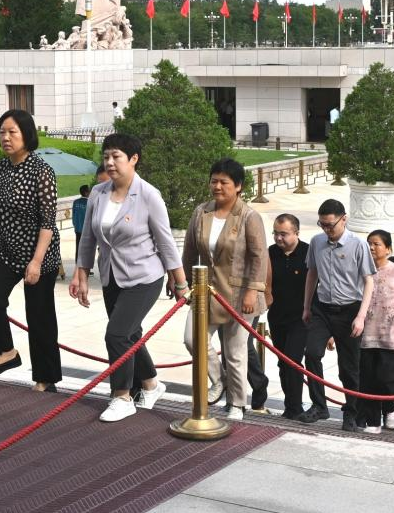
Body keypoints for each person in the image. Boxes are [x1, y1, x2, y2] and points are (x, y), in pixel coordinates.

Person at [71, 133, 187, 422]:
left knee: (117, 334)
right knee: (130, 333)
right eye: (106, 157)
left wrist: (180, 281)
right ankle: (151, 384)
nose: (110, 162)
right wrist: (81, 273)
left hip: (144, 277)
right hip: (111, 276)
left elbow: (166, 242)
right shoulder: (98, 193)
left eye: (116, 157)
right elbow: (88, 238)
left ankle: (122, 396)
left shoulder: (148, 195)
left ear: (134, 159)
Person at [0, 110, 63, 393]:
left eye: (12, 132)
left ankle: (45, 379)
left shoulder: (41, 171)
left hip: (39, 254)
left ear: (27, 135)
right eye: (2, 132)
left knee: (39, 318)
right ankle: (7, 352)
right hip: (6, 250)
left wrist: (36, 262)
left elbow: (48, 222)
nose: (6, 137)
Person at [182, 158, 268, 423]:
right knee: (192, 339)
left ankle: (238, 403)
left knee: (235, 351)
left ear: (238, 186)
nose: (217, 187)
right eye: (214, 181)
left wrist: (253, 291)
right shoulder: (201, 212)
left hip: (240, 294)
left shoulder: (249, 216)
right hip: (206, 291)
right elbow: (190, 251)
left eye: (224, 182)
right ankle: (220, 381)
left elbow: (259, 256)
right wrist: (183, 282)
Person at [300, 199, 376, 428]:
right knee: (312, 353)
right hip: (322, 307)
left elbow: (369, 281)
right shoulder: (316, 242)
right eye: (322, 224)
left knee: (349, 367)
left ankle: (351, 412)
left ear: (344, 219)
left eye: (330, 225)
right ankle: (319, 406)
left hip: (350, 309)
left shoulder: (358, 244)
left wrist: (361, 316)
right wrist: (306, 306)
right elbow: (312, 273)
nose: (326, 229)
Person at [355, 230, 394, 434]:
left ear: (388, 249)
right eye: (369, 243)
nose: (371, 247)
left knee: (387, 379)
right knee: (368, 381)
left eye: (376, 244)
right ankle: (373, 422)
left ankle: (392, 406)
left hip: (392, 336)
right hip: (365, 336)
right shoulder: (360, 270)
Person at [266, 214, 310, 420]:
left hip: (301, 318)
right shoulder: (270, 253)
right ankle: (290, 405)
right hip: (277, 317)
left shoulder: (309, 253)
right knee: (283, 363)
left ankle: (296, 407)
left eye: (283, 234)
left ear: (296, 233)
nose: (278, 238)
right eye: (275, 233)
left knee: (293, 360)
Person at [72, 184, 90, 253]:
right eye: (89, 190)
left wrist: (75, 225)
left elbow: (73, 215)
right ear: (86, 193)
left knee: (78, 247)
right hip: (87, 231)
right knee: (86, 249)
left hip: (77, 229)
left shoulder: (75, 202)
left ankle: (77, 259)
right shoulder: (89, 203)